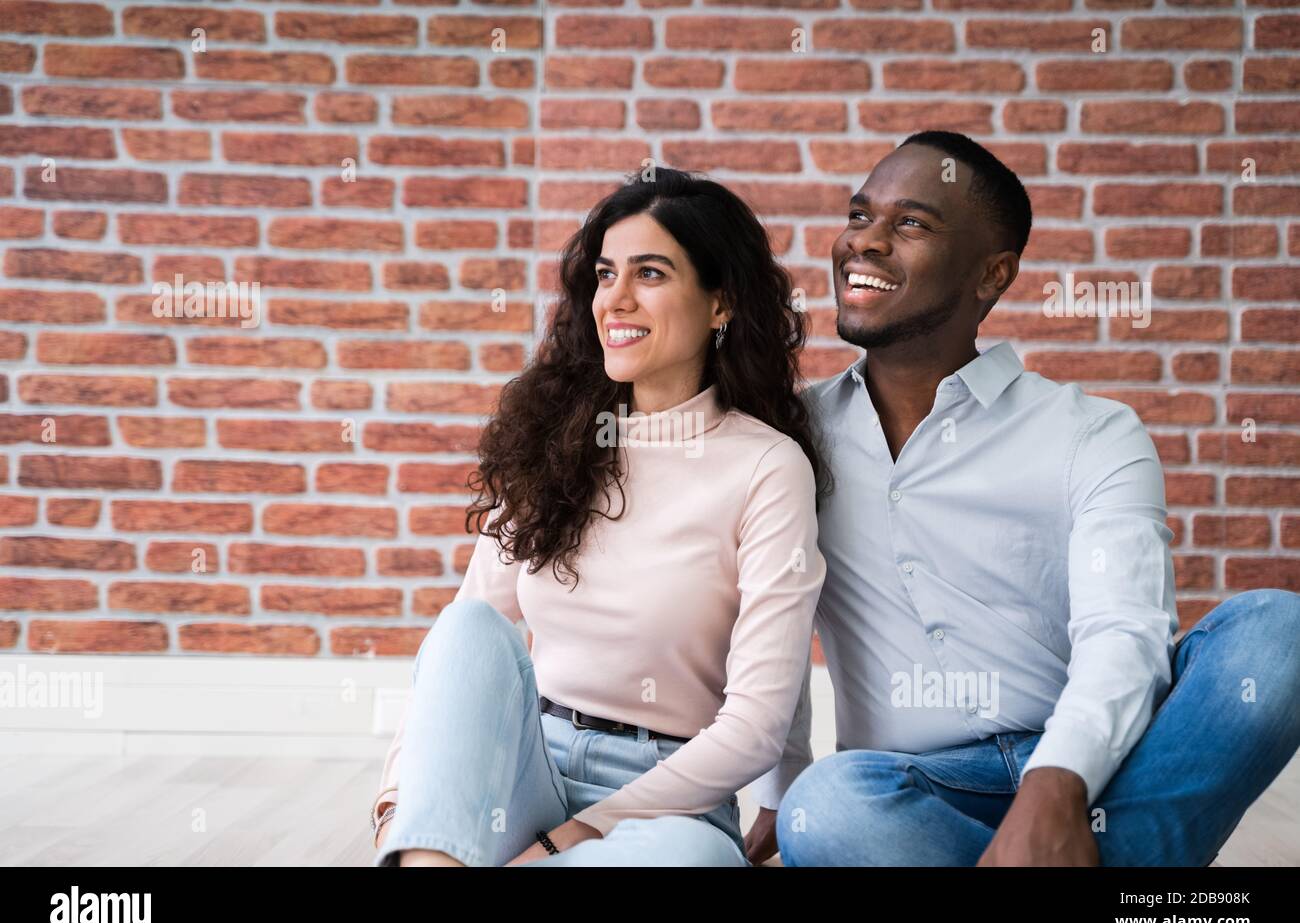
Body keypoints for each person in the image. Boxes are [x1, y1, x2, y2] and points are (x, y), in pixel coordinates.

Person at [746, 129, 1300, 867]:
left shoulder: (1091, 432)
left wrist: (1056, 783)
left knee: (1278, 631)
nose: (866, 242)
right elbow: (769, 627)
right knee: (828, 809)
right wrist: (781, 792)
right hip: (919, 787)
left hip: (1105, 772)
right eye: (858, 216)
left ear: (992, 275)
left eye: (909, 223)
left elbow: (1124, 633)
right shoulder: (794, 440)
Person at [370, 166, 828, 867]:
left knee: (690, 864)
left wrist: (572, 836)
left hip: (668, 797)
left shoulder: (766, 467)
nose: (615, 299)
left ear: (720, 305)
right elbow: (461, 653)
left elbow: (757, 725)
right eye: (605, 274)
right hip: (525, 767)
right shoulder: (552, 439)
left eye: (650, 273)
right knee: (468, 627)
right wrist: (398, 803)